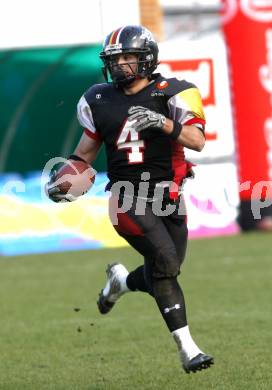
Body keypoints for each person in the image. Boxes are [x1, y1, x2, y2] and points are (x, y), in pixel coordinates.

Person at [47, 25, 214, 373]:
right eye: (114, 59)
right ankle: (189, 351)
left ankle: (120, 282)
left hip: (169, 197)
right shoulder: (98, 98)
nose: (120, 65)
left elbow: (197, 141)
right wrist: (67, 178)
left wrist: (163, 123)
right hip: (126, 198)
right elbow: (84, 154)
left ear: (147, 59)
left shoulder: (177, 92)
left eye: (127, 57)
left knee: (165, 271)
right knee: (166, 263)